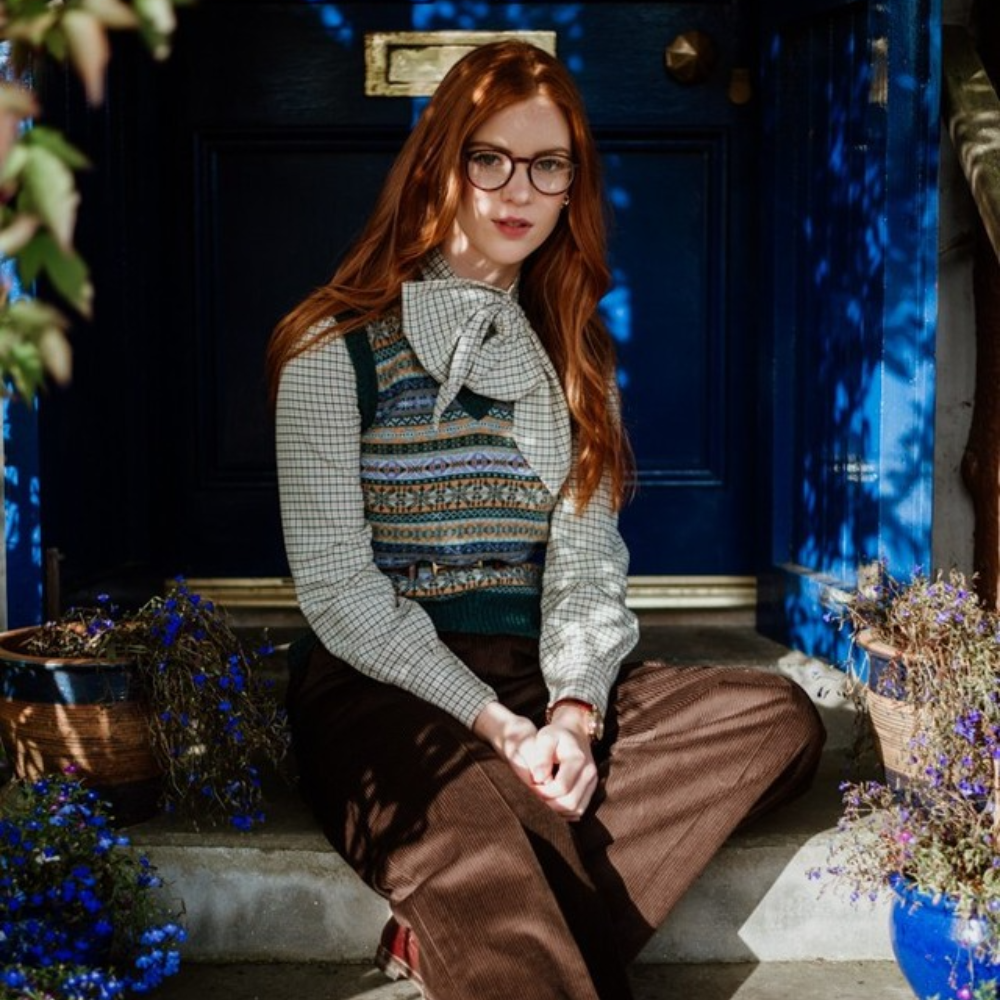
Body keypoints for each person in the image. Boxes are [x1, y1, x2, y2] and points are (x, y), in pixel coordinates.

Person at [267, 40, 825, 1000]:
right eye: (488, 157)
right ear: (440, 164)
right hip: (381, 689)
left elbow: (582, 567)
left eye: (547, 163)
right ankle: (487, 909)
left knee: (776, 716)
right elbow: (338, 590)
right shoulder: (334, 347)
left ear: (574, 187)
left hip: (535, 676)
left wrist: (571, 712)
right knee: (489, 854)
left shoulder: (573, 362)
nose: (515, 188)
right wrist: (493, 726)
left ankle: (440, 936)